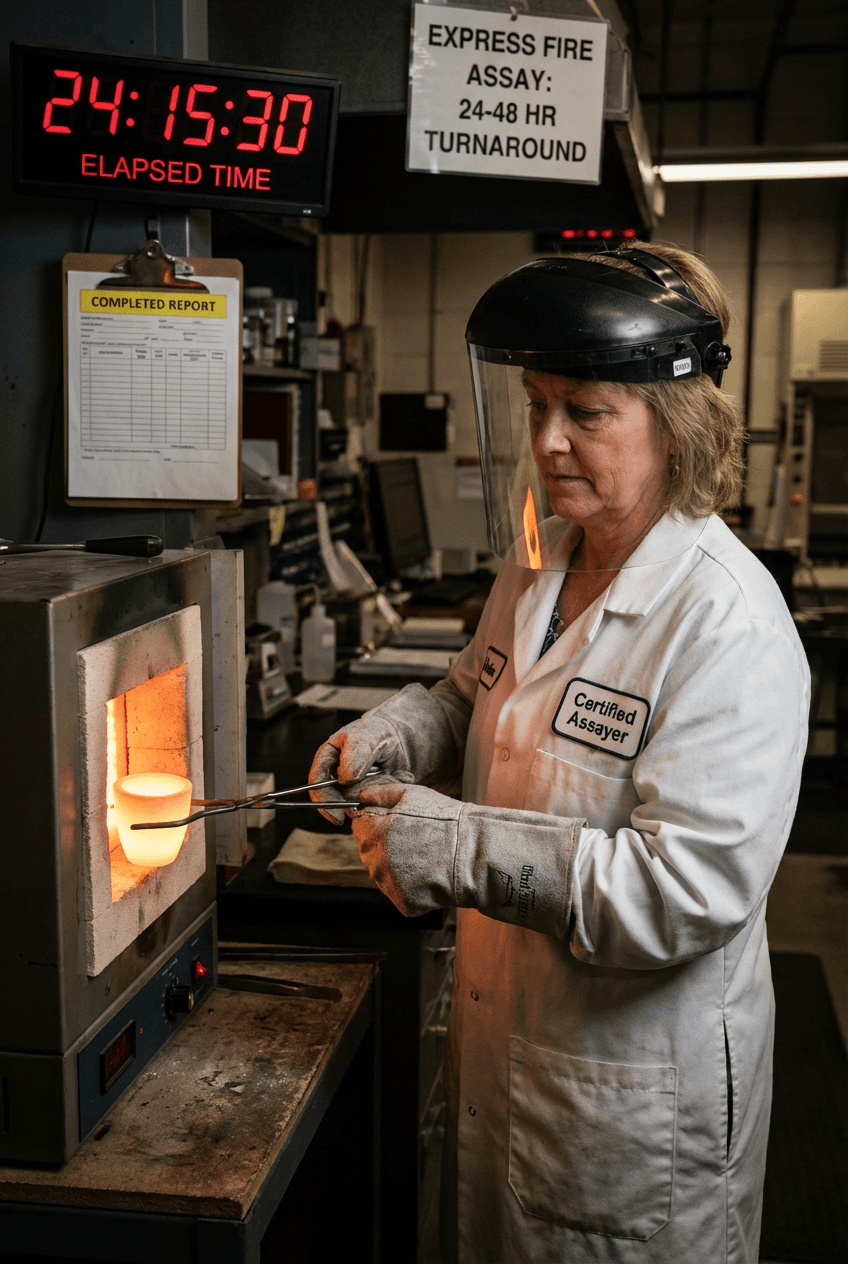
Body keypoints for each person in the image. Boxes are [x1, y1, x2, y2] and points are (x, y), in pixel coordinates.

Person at [309, 243, 810, 1264]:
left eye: (585, 413)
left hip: (629, 1102)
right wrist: (404, 728)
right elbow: (480, 685)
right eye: (536, 404)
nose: (546, 441)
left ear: (673, 425)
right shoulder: (543, 555)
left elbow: (686, 890)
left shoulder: (725, 624)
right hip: (512, 1054)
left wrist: (455, 848)